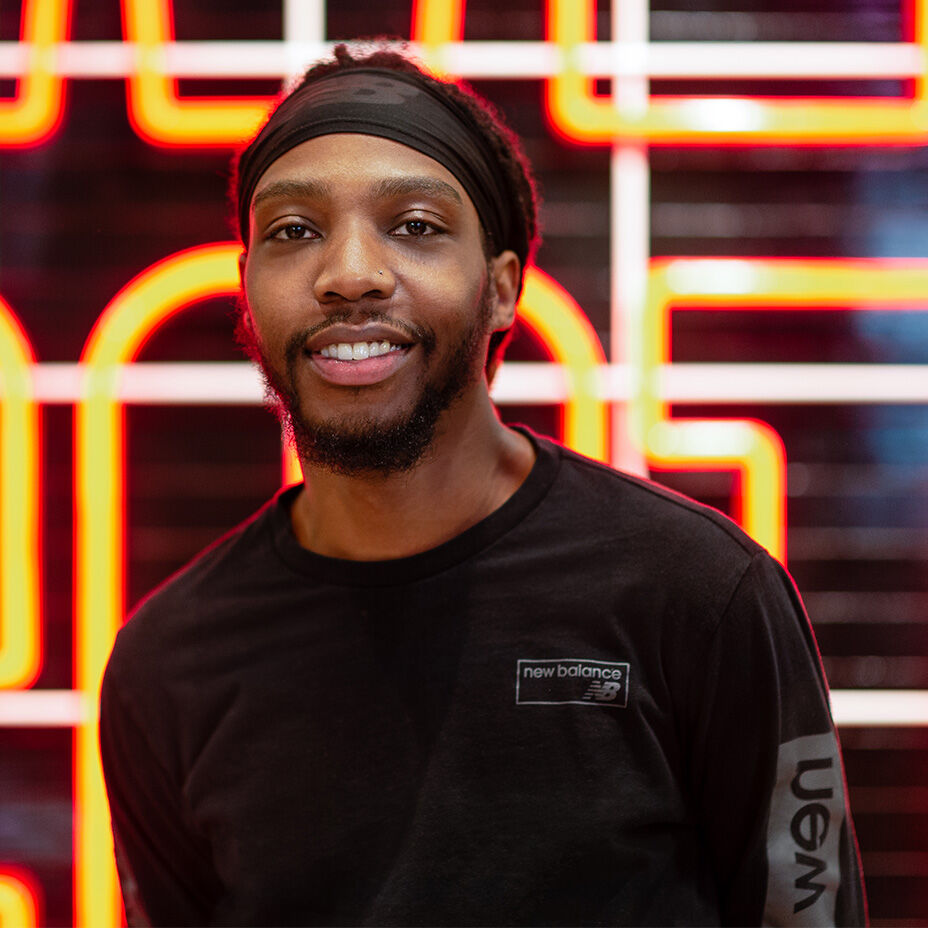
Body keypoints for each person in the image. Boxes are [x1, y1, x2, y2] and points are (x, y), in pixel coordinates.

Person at [99, 43, 867, 927]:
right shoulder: (167, 665)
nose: (349, 272)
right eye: (293, 231)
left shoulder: (698, 592)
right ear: (246, 290)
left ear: (502, 290)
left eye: (416, 225)